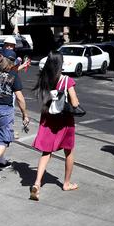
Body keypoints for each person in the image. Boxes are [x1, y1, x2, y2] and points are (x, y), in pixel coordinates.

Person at [29, 51, 81, 201]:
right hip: (64, 120)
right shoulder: (67, 80)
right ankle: (66, 183)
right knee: (68, 151)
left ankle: (37, 183)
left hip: (48, 118)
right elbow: (75, 103)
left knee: (46, 152)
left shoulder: (45, 79)